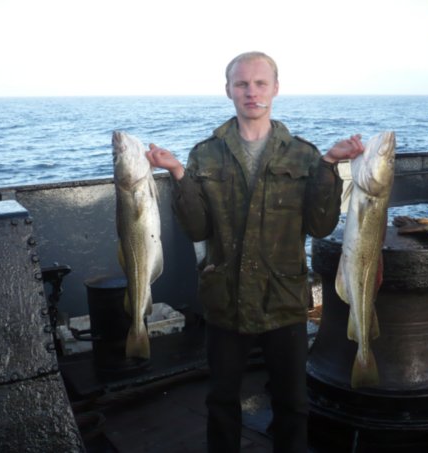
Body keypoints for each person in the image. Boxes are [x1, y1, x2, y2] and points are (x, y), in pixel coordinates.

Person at [146, 51, 364, 453]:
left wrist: (330, 165)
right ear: (228, 90)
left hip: (283, 300)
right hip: (225, 301)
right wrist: (178, 173)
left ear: (275, 88)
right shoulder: (204, 154)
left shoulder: (304, 155)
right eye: (242, 83)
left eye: (260, 83)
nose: (251, 91)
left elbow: (320, 226)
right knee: (221, 402)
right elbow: (197, 229)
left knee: (292, 403)